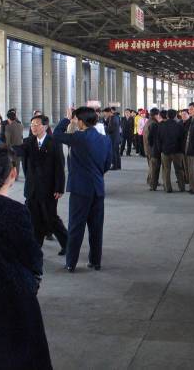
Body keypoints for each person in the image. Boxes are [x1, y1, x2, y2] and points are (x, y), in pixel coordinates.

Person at [0, 146, 52, 370]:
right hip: (16, 290)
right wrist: (35, 276)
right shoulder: (16, 210)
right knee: (26, 347)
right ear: (13, 174)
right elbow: (31, 253)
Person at [53, 107, 112, 272]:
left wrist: (66, 119)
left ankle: (71, 263)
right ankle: (95, 261)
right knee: (96, 228)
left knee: (76, 227)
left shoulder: (78, 137)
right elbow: (107, 164)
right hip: (98, 189)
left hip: (80, 189)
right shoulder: (105, 139)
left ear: (80, 121)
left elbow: (56, 135)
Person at [16, 114, 67, 252]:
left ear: (45, 126)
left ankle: (67, 244)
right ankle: (35, 248)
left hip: (49, 189)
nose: (34, 127)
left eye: (37, 124)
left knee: (51, 219)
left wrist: (59, 188)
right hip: (32, 189)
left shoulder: (54, 142)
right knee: (34, 220)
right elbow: (17, 150)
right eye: (32, 125)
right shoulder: (28, 142)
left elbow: (59, 167)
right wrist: (1, 147)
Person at [159, 109, 186, 193]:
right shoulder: (179, 126)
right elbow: (183, 140)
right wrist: (182, 150)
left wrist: (161, 149)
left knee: (166, 170)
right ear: (175, 116)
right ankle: (182, 187)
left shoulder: (161, 126)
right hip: (177, 152)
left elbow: (159, 139)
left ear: (167, 116)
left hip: (165, 151)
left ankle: (168, 188)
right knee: (179, 169)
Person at [4, 110, 24, 180]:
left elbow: (8, 140)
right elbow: (21, 136)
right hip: (19, 146)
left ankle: (11, 176)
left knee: (11, 162)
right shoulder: (21, 125)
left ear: (8, 118)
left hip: (12, 147)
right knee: (17, 163)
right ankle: (16, 176)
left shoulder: (8, 127)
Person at [146, 108, 162, 191]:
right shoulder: (154, 124)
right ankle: (152, 184)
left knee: (152, 167)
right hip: (153, 150)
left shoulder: (148, 122)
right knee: (154, 168)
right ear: (156, 115)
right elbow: (151, 139)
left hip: (149, 149)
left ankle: (150, 181)